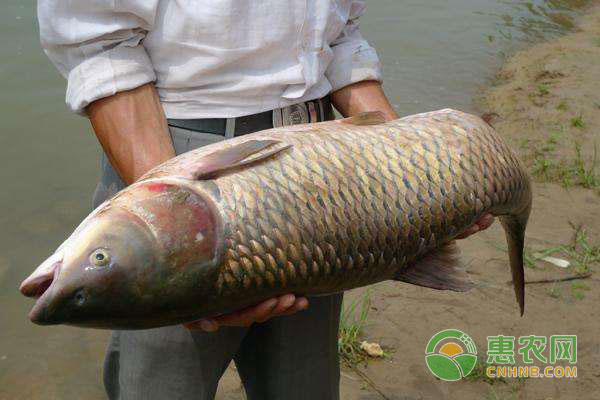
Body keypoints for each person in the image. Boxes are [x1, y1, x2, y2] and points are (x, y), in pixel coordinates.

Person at [38, 1, 495, 399]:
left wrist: (414, 166)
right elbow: (98, 42)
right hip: (178, 152)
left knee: (304, 386)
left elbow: (338, 36)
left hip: (329, 170)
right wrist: (175, 241)